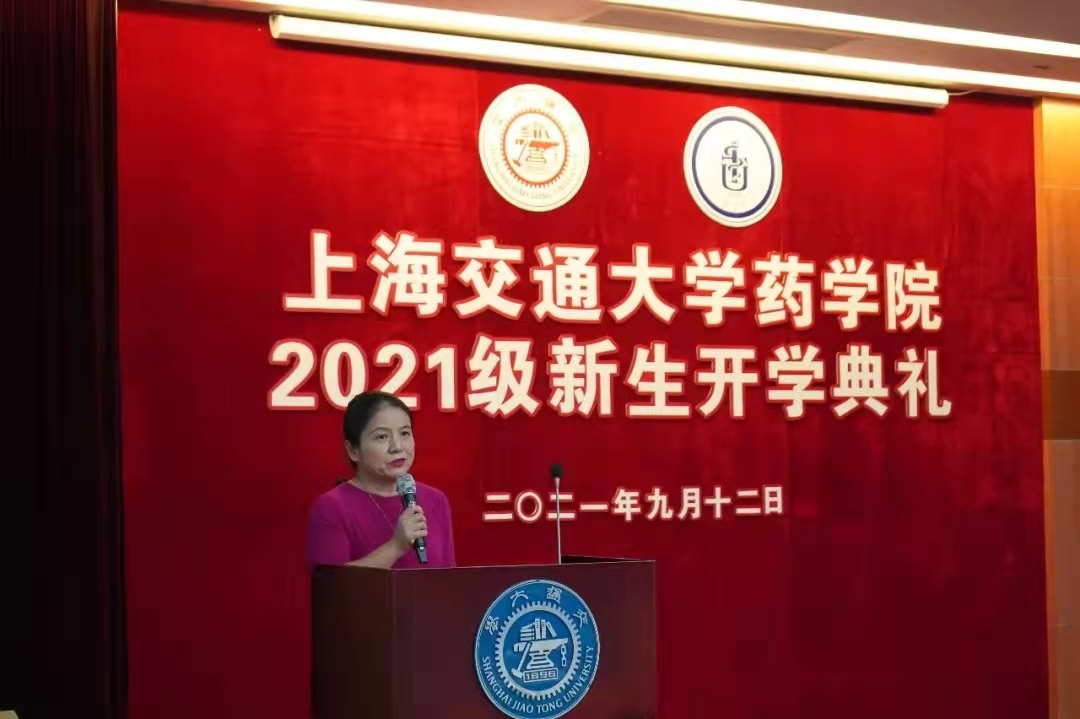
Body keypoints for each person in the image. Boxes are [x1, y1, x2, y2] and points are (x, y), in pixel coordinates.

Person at [306, 391, 455, 569]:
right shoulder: (331, 507)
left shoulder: (436, 500)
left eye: (405, 433)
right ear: (353, 450)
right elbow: (332, 583)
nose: (397, 447)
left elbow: (449, 578)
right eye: (382, 437)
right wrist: (396, 546)